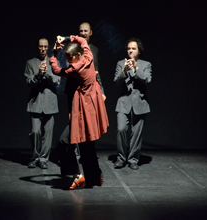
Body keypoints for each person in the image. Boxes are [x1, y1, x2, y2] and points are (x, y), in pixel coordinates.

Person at [50, 35, 109, 189]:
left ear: (77, 55)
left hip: (83, 110)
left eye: (70, 57)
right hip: (91, 108)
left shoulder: (75, 69)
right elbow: (83, 41)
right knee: (87, 145)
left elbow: (56, 70)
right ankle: (96, 175)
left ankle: (78, 175)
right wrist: (68, 38)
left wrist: (54, 53)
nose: (68, 60)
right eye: (66, 56)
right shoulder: (88, 55)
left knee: (65, 141)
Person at [113, 38, 152, 170]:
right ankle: (121, 158)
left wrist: (136, 69)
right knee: (121, 129)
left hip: (140, 104)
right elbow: (116, 81)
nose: (130, 50)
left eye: (133, 48)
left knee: (136, 134)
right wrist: (124, 71)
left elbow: (147, 79)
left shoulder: (146, 64)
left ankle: (133, 159)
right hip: (123, 103)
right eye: (129, 48)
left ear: (139, 51)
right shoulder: (120, 63)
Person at [24, 37, 60, 169]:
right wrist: (38, 75)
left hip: (50, 103)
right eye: (41, 46)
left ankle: (44, 158)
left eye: (45, 47)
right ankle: (35, 157)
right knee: (35, 132)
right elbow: (28, 82)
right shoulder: (30, 63)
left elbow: (57, 81)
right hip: (36, 102)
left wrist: (48, 73)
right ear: (37, 47)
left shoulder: (53, 62)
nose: (43, 49)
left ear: (48, 47)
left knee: (48, 133)